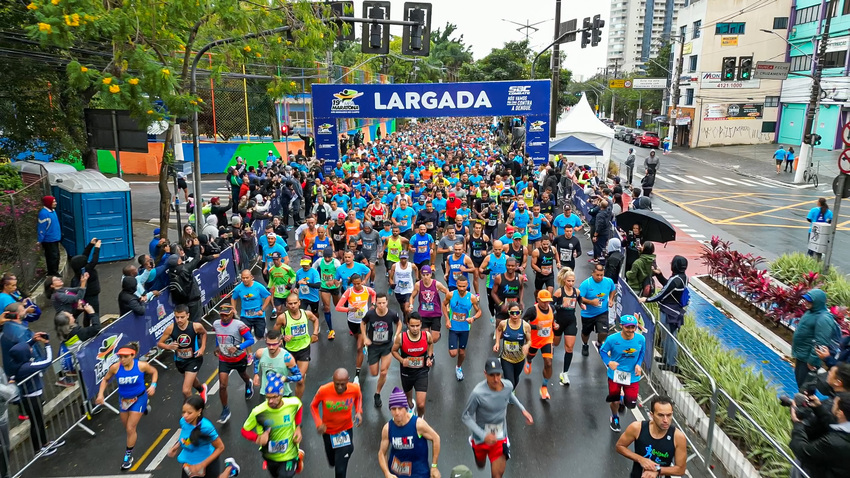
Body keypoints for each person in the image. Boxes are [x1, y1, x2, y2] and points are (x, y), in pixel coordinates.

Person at [461, 358, 533, 478]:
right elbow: (465, 416)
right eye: (491, 375)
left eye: (498, 375)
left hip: (500, 436)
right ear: (485, 374)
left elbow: (509, 395)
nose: (496, 379)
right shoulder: (477, 393)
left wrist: (523, 410)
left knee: (497, 475)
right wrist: (484, 435)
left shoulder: (508, 385)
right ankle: (474, 445)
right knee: (480, 464)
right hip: (481, 438)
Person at [95, 342, 158, 469]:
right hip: (124, 400)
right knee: (127, 428)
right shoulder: (115, 367)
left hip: (139, 398)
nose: (122, 359)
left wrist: (153, 385)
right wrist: (100, 394)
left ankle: (128, 456)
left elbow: (154, 372)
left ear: (132, 355)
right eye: (120, 357)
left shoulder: (141, 365)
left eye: (125, 357)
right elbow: (105, 379)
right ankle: (144, 409)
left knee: (130, 428)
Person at [241, 376, 305, 478]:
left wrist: (298, 427)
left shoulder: (292, 403)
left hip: (289, 453)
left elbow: (299, 407)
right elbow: (244, 431)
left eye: (274, 397)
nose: (270, 401)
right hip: (270, 455)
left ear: (281, 394)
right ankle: (299, 459)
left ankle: (296, 458)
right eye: (268, 397)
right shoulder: (258, 412)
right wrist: (257, 438)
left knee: (284, 476)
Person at [616, 395, 687, 478]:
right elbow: (620, 446)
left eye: (669, 415)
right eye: (660, 415)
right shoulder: (637, 428)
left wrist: (658, 470)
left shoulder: (678, 437)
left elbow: (681, 470)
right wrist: (640, 459)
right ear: (652, 415)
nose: (665, 420)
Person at [378, 387, 442, 478]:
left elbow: (436, 438)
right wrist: (387, 473)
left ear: (406, 408)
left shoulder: (418, 424)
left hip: (419, 474)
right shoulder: (387, 428)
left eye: (400, 408)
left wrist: (434, 466)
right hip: (397, 474)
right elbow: (381, 453)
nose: (397, 412)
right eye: (393, 409)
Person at [310, 368, 363, 478]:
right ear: (333, 381)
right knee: (332, 462)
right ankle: (344, 452)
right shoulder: (324, 390)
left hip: (345, 431)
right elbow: (313, 406)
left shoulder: (354, 388)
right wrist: (319, 423)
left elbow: (358, 397)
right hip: (328, 432)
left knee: (340, 470)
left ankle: (348, 448)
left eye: (343, 384)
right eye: (337, 384)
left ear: (348, 381)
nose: (339, 387)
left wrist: (358, 412)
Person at [169, 396, 239, 478]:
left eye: (189, 413)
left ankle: (230, 468)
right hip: (189, 462)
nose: (185, 415)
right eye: (183, 412)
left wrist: (202, 465)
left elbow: (220, 447)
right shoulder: (183, 421)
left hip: (208, 462)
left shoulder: (206, 427)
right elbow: (186, 436)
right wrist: (177, 446)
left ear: (199, 411)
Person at [641, 255, 689, 371]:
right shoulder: (682, 277)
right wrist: (659, 274)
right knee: (666, 336)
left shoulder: (675, 280)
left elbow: (663, 293)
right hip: (673, 311)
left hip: (669, 312)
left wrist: (646, 299)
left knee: (670, 337)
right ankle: (666, 358)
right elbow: (668, 286)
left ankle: (671, 363)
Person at [599, 315, 646, 432]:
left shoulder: (641, 339)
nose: (630, 330)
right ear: (621, 326)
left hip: (632, 377)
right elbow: (603, 351)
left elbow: (642, 353)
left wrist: (639, 364)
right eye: (627, 327)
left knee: (630, 404)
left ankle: (622, 400)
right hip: (615, 375)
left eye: (633, 327)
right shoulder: (612, 339)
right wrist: (609, 362)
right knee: (614, 401)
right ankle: (614, 418)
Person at [789, 392, 850, 478]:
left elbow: (802, 451)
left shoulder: (833, 442)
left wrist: (797, 423)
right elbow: (835, 425)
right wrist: (819, 408)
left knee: (800, 464)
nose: (832, 405)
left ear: (840, 413)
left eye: (834, 404)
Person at [212, 306, 256, 424]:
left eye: (226, 315)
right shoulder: (216, 324)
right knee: (222, 385)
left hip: (239, 358)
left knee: (243, 375)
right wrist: (217, 347)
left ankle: (248, 383)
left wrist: (237, 347)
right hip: (224, 359)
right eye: (222, 315)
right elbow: (218, 337)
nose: (224, 317)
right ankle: (225, 410)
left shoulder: (239, 325)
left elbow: (251, 340)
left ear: (231, 314)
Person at [157, 304, 208, 400]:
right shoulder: (171, 328)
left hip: (194, 359)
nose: (179, 320)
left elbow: (204, 333)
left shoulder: (195, 326)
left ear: (188, 315)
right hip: (180, 360)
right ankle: (202, 389)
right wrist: (169, 346)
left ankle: (194, 410)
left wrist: (202, 348)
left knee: (186, 390)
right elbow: (160, 343)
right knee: (191, 381)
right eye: (177, 317)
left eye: (182, 317)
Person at [273, 294, 318, 399]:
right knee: (280, 378)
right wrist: (283, 336)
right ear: (286, 305)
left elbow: (315, 320)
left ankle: (297, 403)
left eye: (295, 303)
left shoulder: (306, 314)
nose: (293, 306)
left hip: (304, 349)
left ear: (299, 303)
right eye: (290, 304)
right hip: (289, 351)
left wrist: (315, 333)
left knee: (300, 380)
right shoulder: (282, 318)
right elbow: (274, 334)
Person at [791, 289, 837, 391]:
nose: (806, 302)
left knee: (806, 387)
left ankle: (805, 405)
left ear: (818, 302)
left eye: (810, 301)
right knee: (801, 383)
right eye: (806, 300)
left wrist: (812, 360)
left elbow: (821, 342)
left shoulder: (824, 318)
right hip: (802, 356)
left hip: (808, 360)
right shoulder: (811, 312)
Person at [335, 274, 376, 383]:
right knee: (357, 339)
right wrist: (350, 309)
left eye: (359, 283)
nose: (357, 286)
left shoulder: (367, 290)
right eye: (354, 284)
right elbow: (338, 307)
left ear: (362, 281)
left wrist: (373, 304)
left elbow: (374, 294)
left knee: (358, 347)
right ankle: (364, 345)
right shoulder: (349, 292)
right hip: (352, 321)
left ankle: (357, 375)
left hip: (363, 322)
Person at [392, 313, 435, 418]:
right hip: (406, 372)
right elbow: (393, 351)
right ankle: (411, 406)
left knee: (421, 404)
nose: (415, 329)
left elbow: (430, 343)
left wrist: (429, 358)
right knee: (408, 400)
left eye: (417, 325)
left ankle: (420, 419)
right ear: (407, 324)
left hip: (422, 372)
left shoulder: (426, 335)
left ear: (421, 324)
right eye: (412, 326)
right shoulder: (401, 337)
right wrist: (402, 360)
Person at [362, 293, 401, 408]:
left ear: (387, 302)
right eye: (379, 303)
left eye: (384, 303)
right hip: (373, 346)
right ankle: (377, 385)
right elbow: (363, 323)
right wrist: (365, 337)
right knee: (374, 373)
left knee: (383, 372)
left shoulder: (392, 314)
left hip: (386, 346)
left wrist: (396, 335)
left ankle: (377, 393)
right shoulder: (370, 314)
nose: (382, 305)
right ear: (376, 303)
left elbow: (399, 323)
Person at [443, 276, 482, 382]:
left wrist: (473, 318)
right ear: (456, 285)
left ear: (467, 286)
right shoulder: (451, 295)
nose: (461, 288)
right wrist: (447, 319)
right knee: (453, 353)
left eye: (464, 286)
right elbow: (444, 304)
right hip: (453, 327)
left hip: (465, 328)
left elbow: (479, 311)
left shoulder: (472, 297)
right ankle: (456, 359)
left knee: (461, 352)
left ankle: (458, 367)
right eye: (459, 286)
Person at [522, 290, 556, 400]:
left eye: (548, 301)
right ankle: (529, 361)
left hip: (547, 340)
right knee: (530, 355)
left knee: (548, 363)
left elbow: (552, 319)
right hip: (534, 340)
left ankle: (544, 387)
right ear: (538, 300)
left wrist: (555, 324)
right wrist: (535, 327)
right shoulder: (532, 311)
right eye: (544, 302)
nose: (546, 304)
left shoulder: (552, 308)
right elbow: (522, 323)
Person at [579, 263, 617, 357]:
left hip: (602, 312)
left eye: (602, 275)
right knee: (585, 333)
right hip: (588, 314)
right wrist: (591, 302)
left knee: (604, 332)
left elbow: (613, 289)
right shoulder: (586, 284)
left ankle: (599, 343)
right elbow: (579, 298)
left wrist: (611, 299)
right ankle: (585, 344)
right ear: (593, 273)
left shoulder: (608, 281)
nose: (600, 277)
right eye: (597, 275)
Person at [254, 330, 302, 399]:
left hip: (283, 394)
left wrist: (285, 379)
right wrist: (256, 374)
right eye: (269, 344)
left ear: (280, 342)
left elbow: (298, 376)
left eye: (274, 344)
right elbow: (255, 359)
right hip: (266, 392)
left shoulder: (287, 358)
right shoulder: (260, 353)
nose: (271, 347)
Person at [493, 302, 531, 391]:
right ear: (509, 313)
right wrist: (497, 343)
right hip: (506, 358)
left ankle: (511, 391)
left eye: (517, 313)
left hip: (520, 358)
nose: (515, 315)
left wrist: (527, 346)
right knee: (510, 380)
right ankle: (508, 392)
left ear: (520, 313)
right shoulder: (504, 324)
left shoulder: (525, 326)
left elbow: (529, 340)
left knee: (515, 377)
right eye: (512, 313)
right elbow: (498, 331)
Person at [231, 269, 272, 341]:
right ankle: (248, 352)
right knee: (246, 336)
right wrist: (234, 309)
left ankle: (257, 345)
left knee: (259, 335)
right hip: (245, 316)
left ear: (251, 277)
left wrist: (262, 309)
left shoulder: (258, 286)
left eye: (247, 278)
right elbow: (233, 298)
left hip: (258, 315)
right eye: (243, 278)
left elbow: (268, 296)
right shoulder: (239, 288)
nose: (245, 280)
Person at [314, 248, 342, 340]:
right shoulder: (319, 261)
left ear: (332, 256)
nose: (327, 259)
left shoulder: (336, 262)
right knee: (326, 307)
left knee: (338, 306)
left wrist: (336, 282)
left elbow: (341, 275)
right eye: (325, 257)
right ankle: (331, 330)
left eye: (329, 257)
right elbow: (313, 269)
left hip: (334, 288)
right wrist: (317, 279)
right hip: (324, 287)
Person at [69, 238, 102, 313]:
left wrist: (90, 245)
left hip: (86, 293)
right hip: (92, 294)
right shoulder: (87, 270)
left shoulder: (80, 268)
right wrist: (97, 248)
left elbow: (84, 256)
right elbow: (94, 261)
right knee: (93, 312)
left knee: (87, 312)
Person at [489, 257, 524, 330]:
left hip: (515, 306)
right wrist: (501, 304)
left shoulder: (520, 278)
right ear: (505, 265)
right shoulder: (499, 278)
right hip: (502, 305)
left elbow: (521, 288)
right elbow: (493, 293)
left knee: (515, 326)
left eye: (512, 266)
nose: (510, 267)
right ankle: (497, 339)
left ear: (516, 266)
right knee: (499, 326)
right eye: (508, 265)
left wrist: (520, 301)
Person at [389, 252, 418, 321]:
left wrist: (417, 278)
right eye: (402, 258)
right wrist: (391, 283)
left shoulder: (411, 265)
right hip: (398, 290)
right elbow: (390, 277)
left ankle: (408, 321)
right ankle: (405, 315)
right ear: (399, 258)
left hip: (409, 290)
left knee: (406, 308)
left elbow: (416, 269)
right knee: (402, 307)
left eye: (405, 258)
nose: (403, 260)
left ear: (407, 258)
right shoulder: (395, 266)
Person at [37, 195, 62, 276]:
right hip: (49, 240)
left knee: (56, 256)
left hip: (55, 238)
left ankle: (55, 271)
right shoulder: (44, 213)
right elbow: (42, 228)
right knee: (52, 256)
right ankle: (52, 272)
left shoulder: (53, 211)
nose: (55, 203)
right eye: (53, 201)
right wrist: (40, 239)